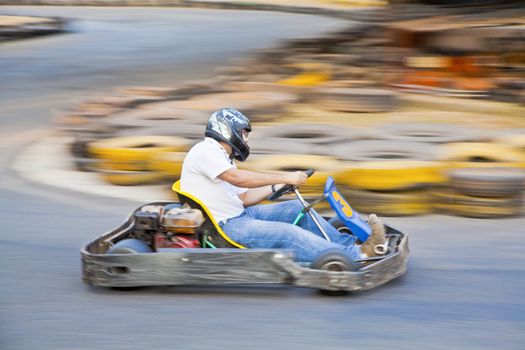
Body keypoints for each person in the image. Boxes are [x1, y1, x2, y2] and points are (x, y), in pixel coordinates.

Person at [180, 107, 385, 263]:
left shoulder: (222, 158)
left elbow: (244, 198)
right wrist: (283, 177)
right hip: (226, 227)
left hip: (241, 215)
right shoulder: (205, 150)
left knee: (297, 209)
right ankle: (355, 255)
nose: (246, 139)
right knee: (288, 234)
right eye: (244, 134)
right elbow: (238, 178)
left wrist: (275, 187)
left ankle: (349, 246)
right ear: (228, 129)